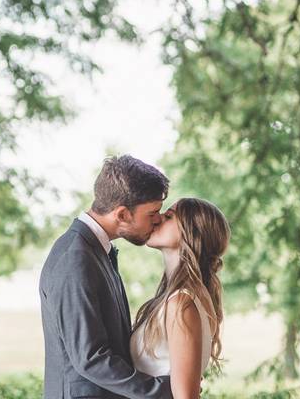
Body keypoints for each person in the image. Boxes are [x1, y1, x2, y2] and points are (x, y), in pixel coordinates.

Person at [39, 155, 174, 399]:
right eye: (152, 212)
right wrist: (163, 390)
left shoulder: (96, 251)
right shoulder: (75, 258)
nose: (158, 220)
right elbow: (91, 357)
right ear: (122, 214)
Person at [130, 198, 230, 399]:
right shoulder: (177, 299)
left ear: (190, 232)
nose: (157, 219)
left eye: (168, 216)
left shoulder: (182, 303)